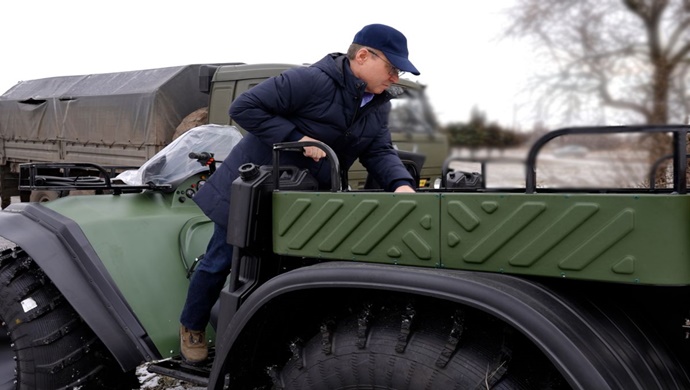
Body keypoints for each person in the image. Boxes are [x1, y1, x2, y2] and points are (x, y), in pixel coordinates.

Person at [178, 23, 420, 364]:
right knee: (220, 260)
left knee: (287, 267)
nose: (395, 77)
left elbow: (379, 150)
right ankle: (192, 325)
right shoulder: (310, 80)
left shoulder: (377, 104)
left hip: (306, 198)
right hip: (254, 189)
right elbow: (244, 108)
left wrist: (401, 185)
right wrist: (298, 138)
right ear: (363, 56)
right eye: (392, 68)